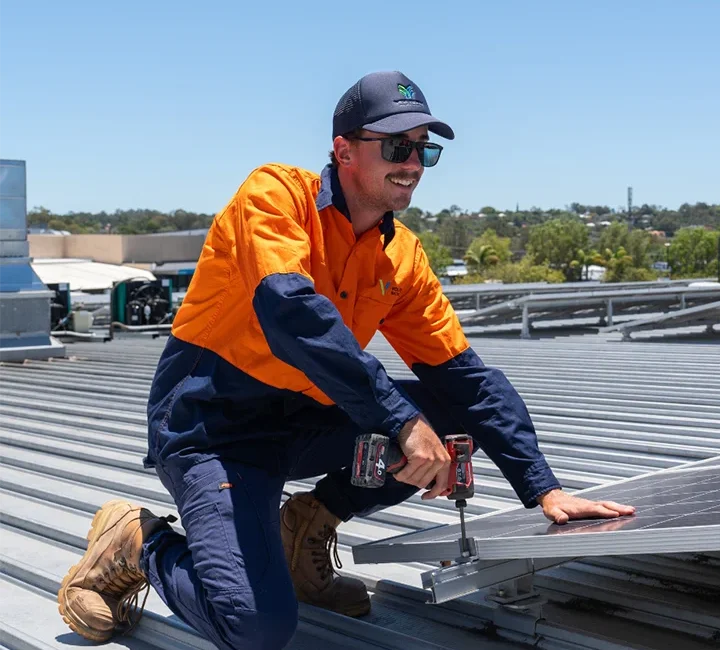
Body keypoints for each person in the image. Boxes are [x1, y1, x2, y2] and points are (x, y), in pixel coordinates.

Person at [57, 71, 635, 650]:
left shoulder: (400, 256)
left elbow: (466, 378)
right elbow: (291, 314)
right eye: (396, 146)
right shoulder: (276, 195)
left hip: (304, 424)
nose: (412, 163)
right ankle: (139, 541)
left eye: (423, 149)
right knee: (255, 629)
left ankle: (308, 525)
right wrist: (402, 424)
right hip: (214, 430)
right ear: (343, 149)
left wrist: (543, 490)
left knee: (455, 420)